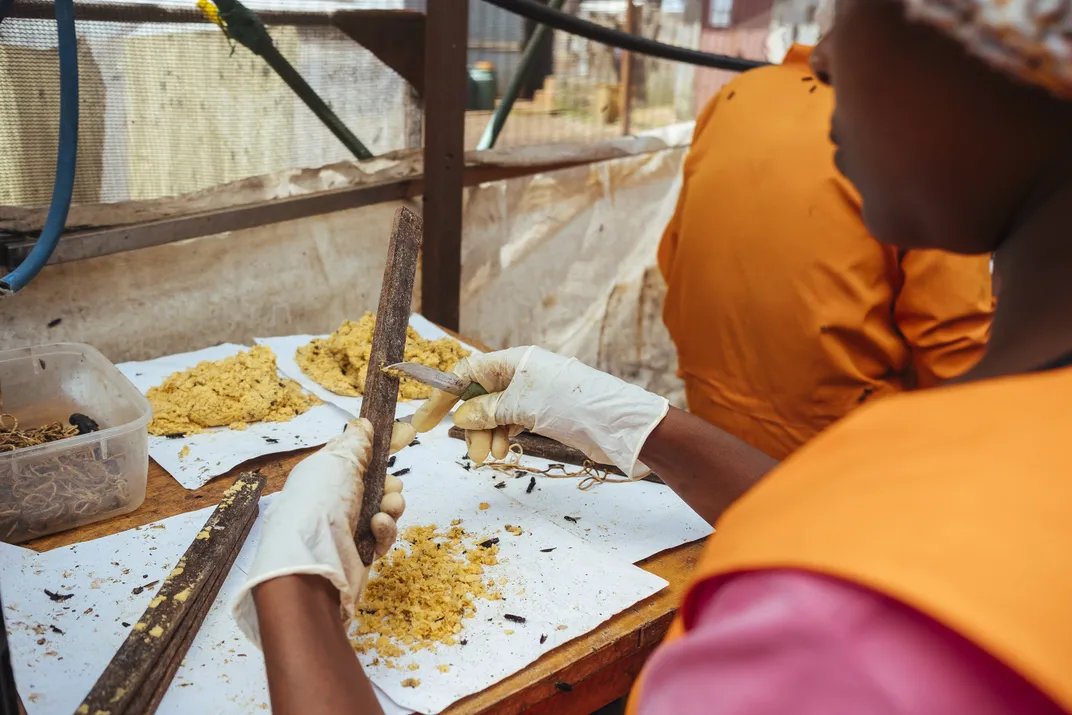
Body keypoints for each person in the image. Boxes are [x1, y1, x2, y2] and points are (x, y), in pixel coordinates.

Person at [234, 0, 1072, 712]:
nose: (825, 51)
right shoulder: (997, 446)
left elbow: (866, 563)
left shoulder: (827, 636)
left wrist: (294, 588)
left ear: (1016, 57)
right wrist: (644, 426)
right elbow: (886, 527)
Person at [659, 8, 995, 459]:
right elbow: (955, 356)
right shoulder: (928, 128)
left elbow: (673, 259)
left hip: (714, 434)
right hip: (848, 456)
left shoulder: (737, 95)